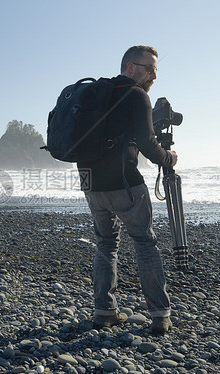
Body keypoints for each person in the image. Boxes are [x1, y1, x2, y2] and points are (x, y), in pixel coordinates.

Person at [77, 45, 177, 334]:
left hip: (90, 182)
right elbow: (148, 145)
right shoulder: (136, 95)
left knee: (106, 244)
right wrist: (169, 158)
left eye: (156, 70)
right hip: (124, 183)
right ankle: (160, 315)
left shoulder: (97, 93)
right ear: (131, 67)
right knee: (145, 242)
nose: (154, 76)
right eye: (150, 69)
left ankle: (104, 312)